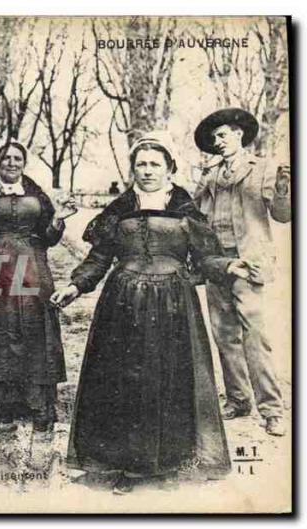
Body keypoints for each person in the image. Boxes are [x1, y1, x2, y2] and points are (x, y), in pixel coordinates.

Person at [51, 132, 256, 494]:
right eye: (141, 164)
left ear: (169, 169)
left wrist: (229, 266)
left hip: (174, 305)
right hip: (122, 305)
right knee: (124, 380)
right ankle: (127, 464)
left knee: (170, 379)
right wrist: (76, 285)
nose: (147, 170)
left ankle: (167, 460)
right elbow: (99, 257)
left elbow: (205, 257)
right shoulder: (118, 210)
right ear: (133, 169)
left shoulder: (185, 208)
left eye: (155, 164)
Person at [0, 141, 77, 436]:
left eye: (17, 158)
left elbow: (48, 238)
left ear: (24, 162)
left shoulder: (36, 194)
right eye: (5, 157)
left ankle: (39, 404)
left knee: (34, 331)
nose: (11, 162)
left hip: (32, 269)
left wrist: (58, 220)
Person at [192, 108, 291, 436]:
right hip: (216, 264)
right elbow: (196, 215)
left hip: (249, 264)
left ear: (238, 135)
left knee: (255, 336)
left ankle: (272, 410)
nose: (217, 142)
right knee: (224, 334)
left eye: (222, 135)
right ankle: (238, 400)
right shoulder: (210, 174)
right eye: (214, 138)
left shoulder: (263, 168)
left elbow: (283, 215)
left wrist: (284, 187)